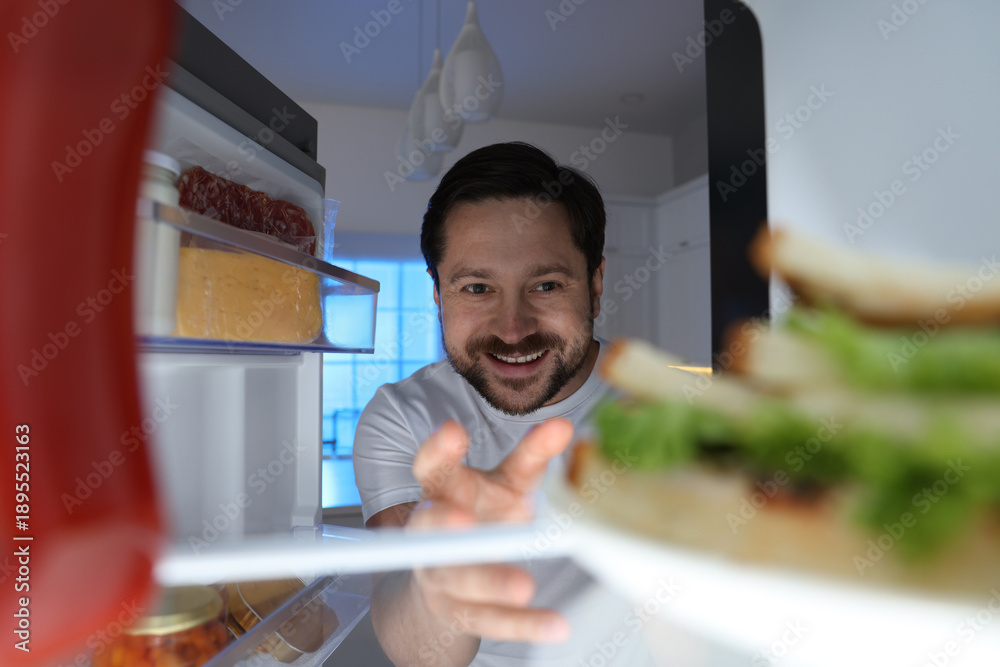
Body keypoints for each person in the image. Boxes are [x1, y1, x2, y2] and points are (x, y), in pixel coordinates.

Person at [353, 142, 654, 666]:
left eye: (546, 285)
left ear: (595, 284)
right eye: (477, 288)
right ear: (438, 295)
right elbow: (418, 655)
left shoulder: (671, 410)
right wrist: (439, 582)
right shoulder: (402, 418)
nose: (513, 329)